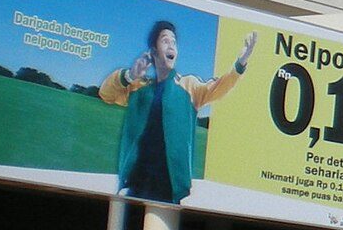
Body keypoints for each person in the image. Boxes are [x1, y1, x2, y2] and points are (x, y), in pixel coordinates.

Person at [99, 21, 257, 205]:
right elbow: (106, 94)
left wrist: (241, 63)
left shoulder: (189, 86)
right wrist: (129, 76)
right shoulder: (138, 88)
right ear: (154, 50)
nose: (171, 45)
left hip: (169, 189)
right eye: (165, 41)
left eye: (174, 42)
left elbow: (220, 86)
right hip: (135, 184)